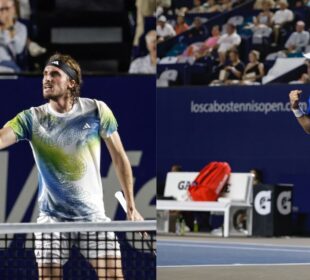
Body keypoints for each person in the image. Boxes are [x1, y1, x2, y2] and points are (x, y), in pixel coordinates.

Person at [0, 53, 143, 279]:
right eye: (45, 74)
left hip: (93, 217)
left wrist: (132, 207)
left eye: (55, 74)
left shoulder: (97, 110)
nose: (47, 79)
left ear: (72, 82)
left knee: (115, 277)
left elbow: (119, 157)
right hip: (52, 220)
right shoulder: (31, 118)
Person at [0, 0, 27, 72]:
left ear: (14, 10)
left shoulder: (21, 27)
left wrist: (9, 27)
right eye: (1, 9)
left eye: (7, 9)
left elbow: (18, 50)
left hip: (7, 67)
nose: (4, 12)